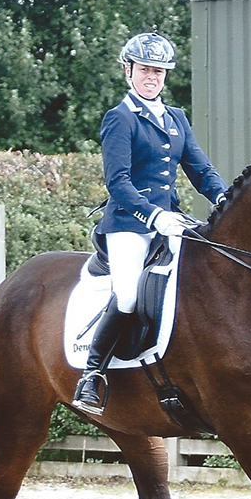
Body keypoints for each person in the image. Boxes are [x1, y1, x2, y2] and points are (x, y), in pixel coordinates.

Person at [72, 32, 229, 415]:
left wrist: (225, 198)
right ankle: (92, 374)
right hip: (129, 224)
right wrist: (154, 215)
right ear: (129, 71)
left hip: (171, 220)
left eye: (158, 71)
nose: (152, 77)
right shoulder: (120, 119)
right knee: (127, 295)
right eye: (145, 69)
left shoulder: (176, 118)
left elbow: (200, 168)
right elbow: (118, 183)